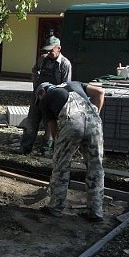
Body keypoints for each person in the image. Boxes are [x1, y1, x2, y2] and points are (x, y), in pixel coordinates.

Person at [36, 81, 105, 222]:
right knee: (96, 167)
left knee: (61, 165)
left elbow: (54, 132)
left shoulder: (45, 100)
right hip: (94, 123)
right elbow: (100, 92)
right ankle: (96, 211)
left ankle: (56, 207)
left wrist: (65, 147)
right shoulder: (74, 83)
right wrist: (94, 115)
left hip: (71, 122)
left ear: (41, 92)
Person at [20, 36, 72, 155]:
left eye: (51, 50)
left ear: (59, 48)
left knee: (50, 124)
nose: (48, 53)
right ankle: (25, 149)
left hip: (52, 99)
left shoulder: (64, 64)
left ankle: (46, 150)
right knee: (32, 122)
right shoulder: (42, 59)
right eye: (46, 50)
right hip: (38, 96)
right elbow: (35, 71)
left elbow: (66, 85)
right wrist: (36, 86)